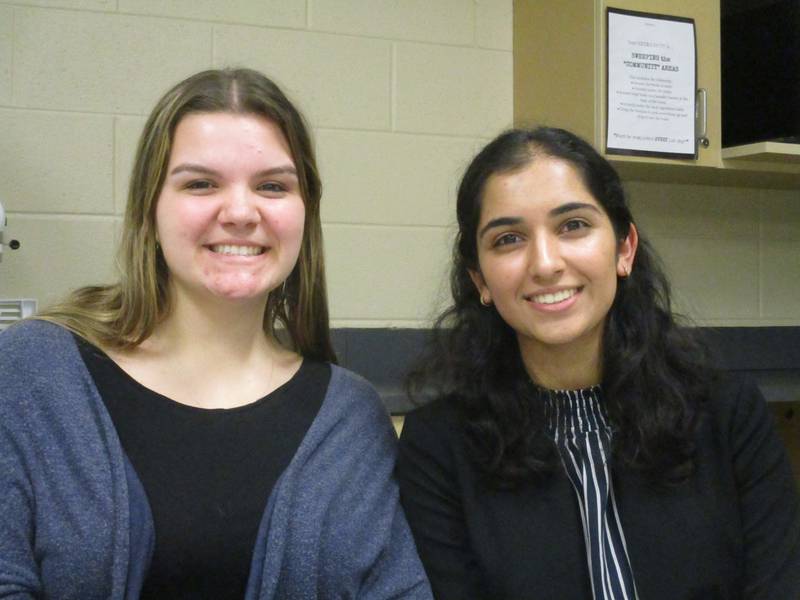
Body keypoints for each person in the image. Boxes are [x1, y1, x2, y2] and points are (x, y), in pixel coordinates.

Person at [0, 68, 431, 600]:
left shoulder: (351, 419)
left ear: (304, 213)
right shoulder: (29, 375)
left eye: (272, 186)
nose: (241, 212)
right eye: (201, 183)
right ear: (149, 207)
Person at [395, 126, 800, 600]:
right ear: (479, 279)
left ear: (624, 248)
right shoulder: (437, 447)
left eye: (573, 226)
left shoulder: (729, 414)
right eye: (508, 238)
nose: (545, 263)